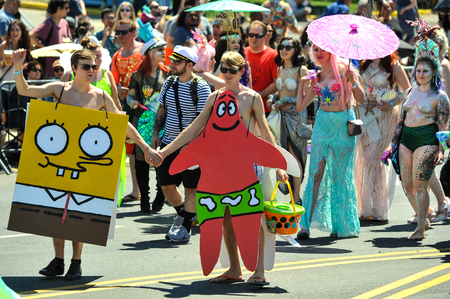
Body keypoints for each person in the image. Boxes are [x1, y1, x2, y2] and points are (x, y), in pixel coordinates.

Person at [12, 48, 161, 280]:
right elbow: (25, 89)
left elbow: (123, 125)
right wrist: (19, 66)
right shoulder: (59, 89)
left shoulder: (100, 97)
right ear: (74, 69)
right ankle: (58, 260)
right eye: (86, 66)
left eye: (94, 66)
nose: (92, 71)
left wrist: (146, 147)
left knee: (78, 213)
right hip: (58, 162)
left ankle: (76, 262)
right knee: (55, 212)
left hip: (85, 164)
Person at [157, 51, 288, 283]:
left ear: (241, 72)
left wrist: (279, 164)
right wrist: (165, 151)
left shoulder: (252, 97)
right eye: (223, 70)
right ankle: (235, 270)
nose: (226, 74)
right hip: (220, 169)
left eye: (231, 70)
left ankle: (258, 271)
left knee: (252, 216)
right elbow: (194, 129)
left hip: (247, 166)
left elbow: (266, 133)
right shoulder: (215, 97)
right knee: (227, 216)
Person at [296, 44, 365, 239]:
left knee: (340, 175)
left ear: (332, 51)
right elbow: (301, 105)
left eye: (323, 49)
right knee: (315, 173)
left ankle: (341, 225)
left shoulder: (346, 70)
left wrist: (354, 82)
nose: (319, 53)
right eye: (315, 50)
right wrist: (303, 84)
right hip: (323, 125)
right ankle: (304, 226)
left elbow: (361, 98)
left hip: (343, 125)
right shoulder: (315, 77)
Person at [384, 36, 449, 240]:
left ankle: (420, 228)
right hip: (406, 141)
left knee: (420, 184)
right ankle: (425, 216)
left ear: (433, 73)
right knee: (408, 185)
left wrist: (441, 150)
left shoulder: (440, 96)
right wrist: (392, 145)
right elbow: (400, 122)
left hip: (427, 140)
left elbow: (443, 126)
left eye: (425, 71)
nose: (421, 74)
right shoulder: (409, 93)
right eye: (418, 70)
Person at [151, 45, 212, 242]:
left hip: (192, 148)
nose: (172, 64)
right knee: (166, 185)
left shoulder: (201, 87)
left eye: (177, 62)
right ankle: (183, 213)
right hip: (168, 143)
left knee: (190, 188)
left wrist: (198, 146)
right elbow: (162, 109)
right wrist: (155, 133)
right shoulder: (169, 82)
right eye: (172, 60)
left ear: (190, 65)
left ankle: (185, 227)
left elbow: (204, 120)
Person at [355, 55, 410, 221]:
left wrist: (392, 103)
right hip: (364, 116)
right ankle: (365, 208)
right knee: (365, 160)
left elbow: (408, 91)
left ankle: (378, 208)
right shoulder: (363, 65)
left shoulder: (393, 65)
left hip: (384, 117)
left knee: (375, 158)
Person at [127, 28, 169, 212]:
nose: (164, 53)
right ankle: (144, 197)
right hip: (142, 121)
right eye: (160, 50)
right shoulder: (137, 76)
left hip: (162, 122)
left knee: (160, 156)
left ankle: (160, 196)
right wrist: (133, 102)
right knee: (141, 158)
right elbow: (130, 96)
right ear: (150, 53)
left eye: (164, 49)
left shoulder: (167, 73)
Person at [267, 37, 309, 204]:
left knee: (295, 157)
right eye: (281, 46)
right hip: (280, 118)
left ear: (295, 50)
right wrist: (273, 98)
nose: (283, 49)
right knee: (282, 156)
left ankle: (296, 197)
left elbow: (305, 98)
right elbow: (280, 91)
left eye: (288, 47)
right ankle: (289, 193)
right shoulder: (279, 69)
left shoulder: (302, 70)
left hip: (296, 117)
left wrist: (284, 102)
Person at [111, 18, 145, 202]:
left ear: (134, 32)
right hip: (128, 106)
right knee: (131, 148)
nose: (120, 36)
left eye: (124, 32)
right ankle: (136, 190)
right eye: (118, 32)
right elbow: (113, 81)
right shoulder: (116, 56)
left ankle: (164, 190)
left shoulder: (144, 51)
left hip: (147, 104)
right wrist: (118, 89)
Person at [61, 38, 120, 110]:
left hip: (103, 120)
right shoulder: (70, 75)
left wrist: (121, 120)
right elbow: (58, 98)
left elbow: (116, 102)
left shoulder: (107, 74)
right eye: (96, 57)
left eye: (100, 56)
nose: (100, 59)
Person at [29, 0, 72, 78]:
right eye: (66, 8)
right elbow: (31, 36)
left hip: (63, 69)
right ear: (59, 9)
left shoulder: (64, 23)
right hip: (49, 71)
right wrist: (45, 49)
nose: (68, 10)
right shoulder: (48, 23)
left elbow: (69, 41)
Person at [245, 21, 278, 115]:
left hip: (265, 109)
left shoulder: (273, 55)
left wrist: (258, 95)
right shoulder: (242, 53)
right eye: (251, 35)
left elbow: (277, 82)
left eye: (258, 36)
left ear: (265, 37)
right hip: (244, 107)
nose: (254, 38)